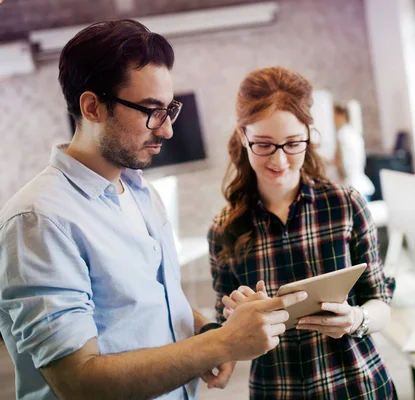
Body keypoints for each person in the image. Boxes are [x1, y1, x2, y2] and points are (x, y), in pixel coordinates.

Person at [0, 20, 306, 400]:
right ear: (92, 106)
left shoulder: (141, 191)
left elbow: (152, 303)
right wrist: (222, 344)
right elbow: (79, 383)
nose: (167, 131)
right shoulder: (39, 220)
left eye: (169, 110)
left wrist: (207, 330)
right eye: (151, 110)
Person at [208, 66, 397, 399]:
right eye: (264, 145)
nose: (279, 161)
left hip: (358, 386)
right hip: (278, 390)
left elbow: (380, 304)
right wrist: (235, 321)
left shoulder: (345, 204)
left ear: (309, 136)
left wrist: (356, 318)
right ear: (242, 137)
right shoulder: (224, 229)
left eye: (293, 144)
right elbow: (224, 331)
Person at [333, 104, 375, 200]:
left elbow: (341, 162)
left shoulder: (342, 135)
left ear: (341, 115)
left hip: (352, 186)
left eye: (334, 115)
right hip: (361, 185)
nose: (333, 119)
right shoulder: (354, 133)